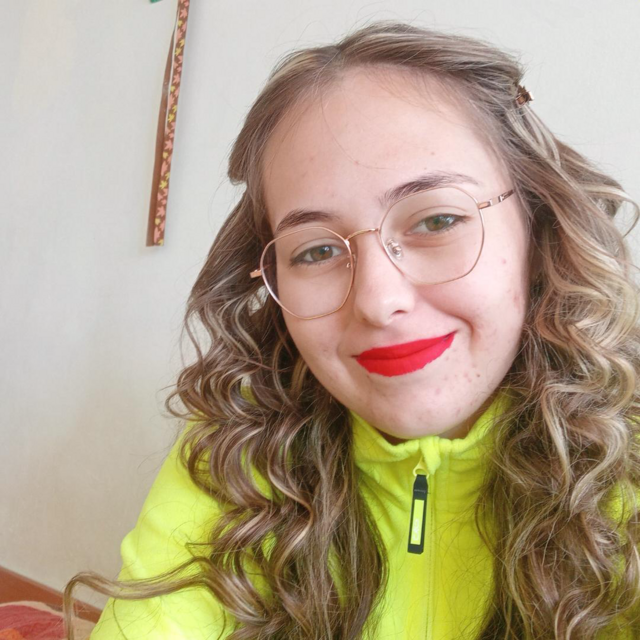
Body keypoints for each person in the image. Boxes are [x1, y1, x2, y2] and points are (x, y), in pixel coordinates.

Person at [64, 21, 640, 640]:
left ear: (539, 221)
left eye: (436, 220)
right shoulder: (237, 448)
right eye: (315, 251)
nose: (377, 301)